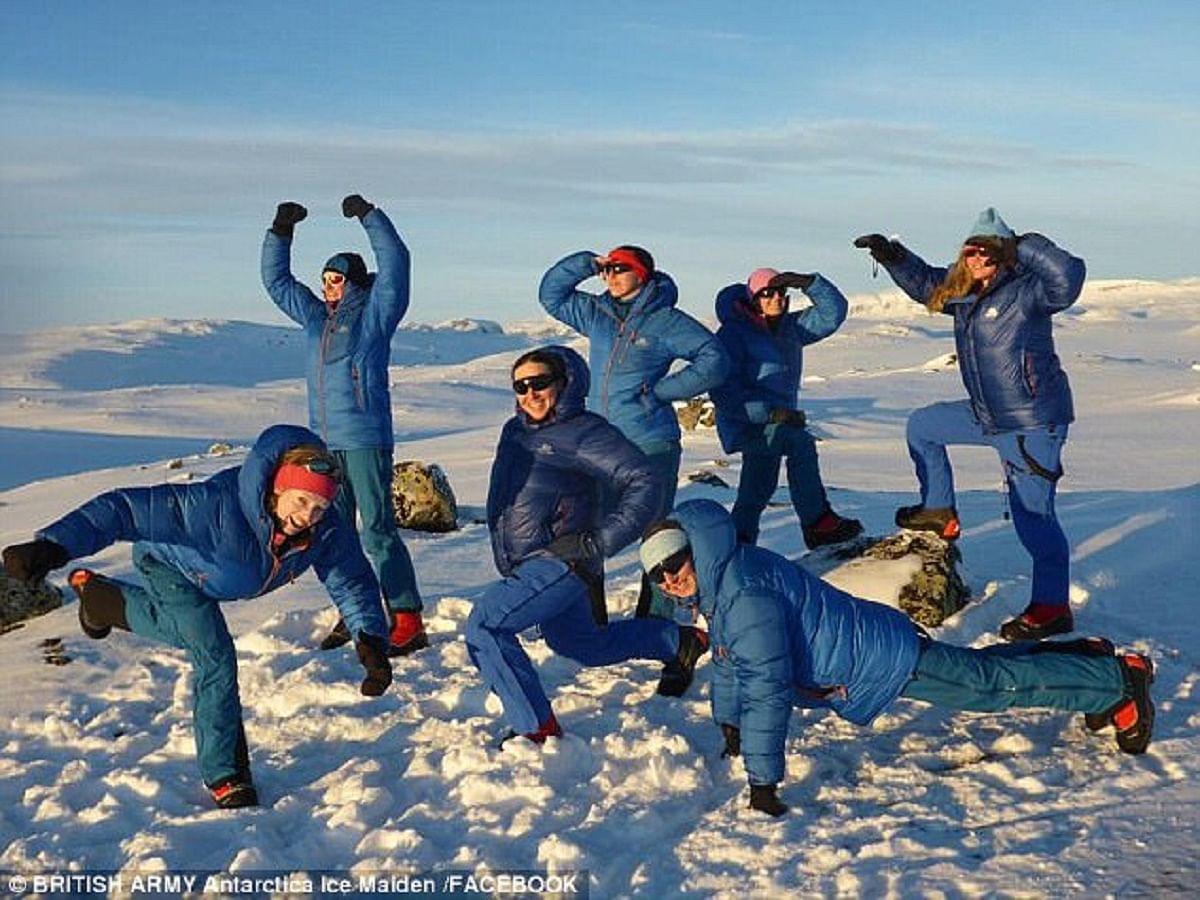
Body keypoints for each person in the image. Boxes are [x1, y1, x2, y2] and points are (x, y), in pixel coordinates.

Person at [640, 499, 1153, 817]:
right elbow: (732, 660)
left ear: (695, 548)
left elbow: (768, 687)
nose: (668, 578)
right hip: (867, 646)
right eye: (656, 573)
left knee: (988, 687)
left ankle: (1115, 683)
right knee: (981, 674)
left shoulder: (741, 593)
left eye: (673, 562)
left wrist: (763, 780)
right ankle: (1083, 659)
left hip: (878, 659)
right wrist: (729, 722)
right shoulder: (724, 580)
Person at [0, 425, 393, 809]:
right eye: (301, 500)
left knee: (188, 633)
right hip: (167, 566)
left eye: (320, 506)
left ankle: (100, 601)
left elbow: (352, 580)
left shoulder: (326, 531)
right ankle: (226, 776)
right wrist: (54, 546)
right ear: (277, 487)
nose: (309, 515)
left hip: (213, 578)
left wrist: (370, 638)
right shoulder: (210, 506)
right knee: (214, 655)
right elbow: (122, 509)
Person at [854, 209, 1086, 641]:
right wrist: (893, 256)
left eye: (986, 251)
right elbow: (925, 283)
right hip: (986, 414)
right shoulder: (964, 292)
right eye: (970, 250)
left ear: (1003, 254)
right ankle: (939, 511)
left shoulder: (1029, 291)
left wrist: (1023, 243)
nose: (976, 258)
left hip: (1031, 422)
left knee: (1034, 518)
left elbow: (1069, 277)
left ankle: (1053, 607)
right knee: (923, 427)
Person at [465, 346, 710, 744]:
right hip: (531, 560)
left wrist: (600, 541)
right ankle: (679, 641)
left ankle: (536, 729)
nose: (530, 393)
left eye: (540, 382)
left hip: (560, 561)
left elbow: (645, 480)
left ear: (563, 383)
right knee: (580, 643)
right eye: (521, 386)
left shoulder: (583, 431)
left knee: (486, 625)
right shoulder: (516, 431)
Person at [538, 245, 729, 691]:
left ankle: (671, 635)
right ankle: (591, 621)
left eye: (619, 269)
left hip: (650, 442)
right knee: (582, 526)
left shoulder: (665, 320)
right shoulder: (597, 312)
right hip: (600, 442)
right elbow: (551, 295)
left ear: (642, 273)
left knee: (656, 536)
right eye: (606, 270)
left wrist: (662, 392)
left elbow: (714, 358)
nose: (610, 276)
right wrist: (585, 263)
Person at [262, 194, 426, 656]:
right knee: (337, 534)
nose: (329, 287)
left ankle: (407, 617)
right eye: (325, 281)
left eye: (336, 280)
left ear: (353, 282)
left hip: (366, 438)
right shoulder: (316, 317)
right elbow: (276, 283)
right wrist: (281, 230)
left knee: (377, 529)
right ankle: (360, 613)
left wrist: (370, 216)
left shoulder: (376, 313)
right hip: (324, 443)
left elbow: (397, 260)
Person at [710, 267, 863, 548]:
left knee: (757, 488)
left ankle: (738, 544)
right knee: (799, 443)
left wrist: (809, 283)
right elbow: (723, 390)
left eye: (782, 291)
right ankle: (817, 522)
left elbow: (833, 314)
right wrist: (769, 413)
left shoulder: (790, 329)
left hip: (779, 421)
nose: (776, 298)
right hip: (746, 422)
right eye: (767, 294)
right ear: (752, 299)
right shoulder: (734, 334)